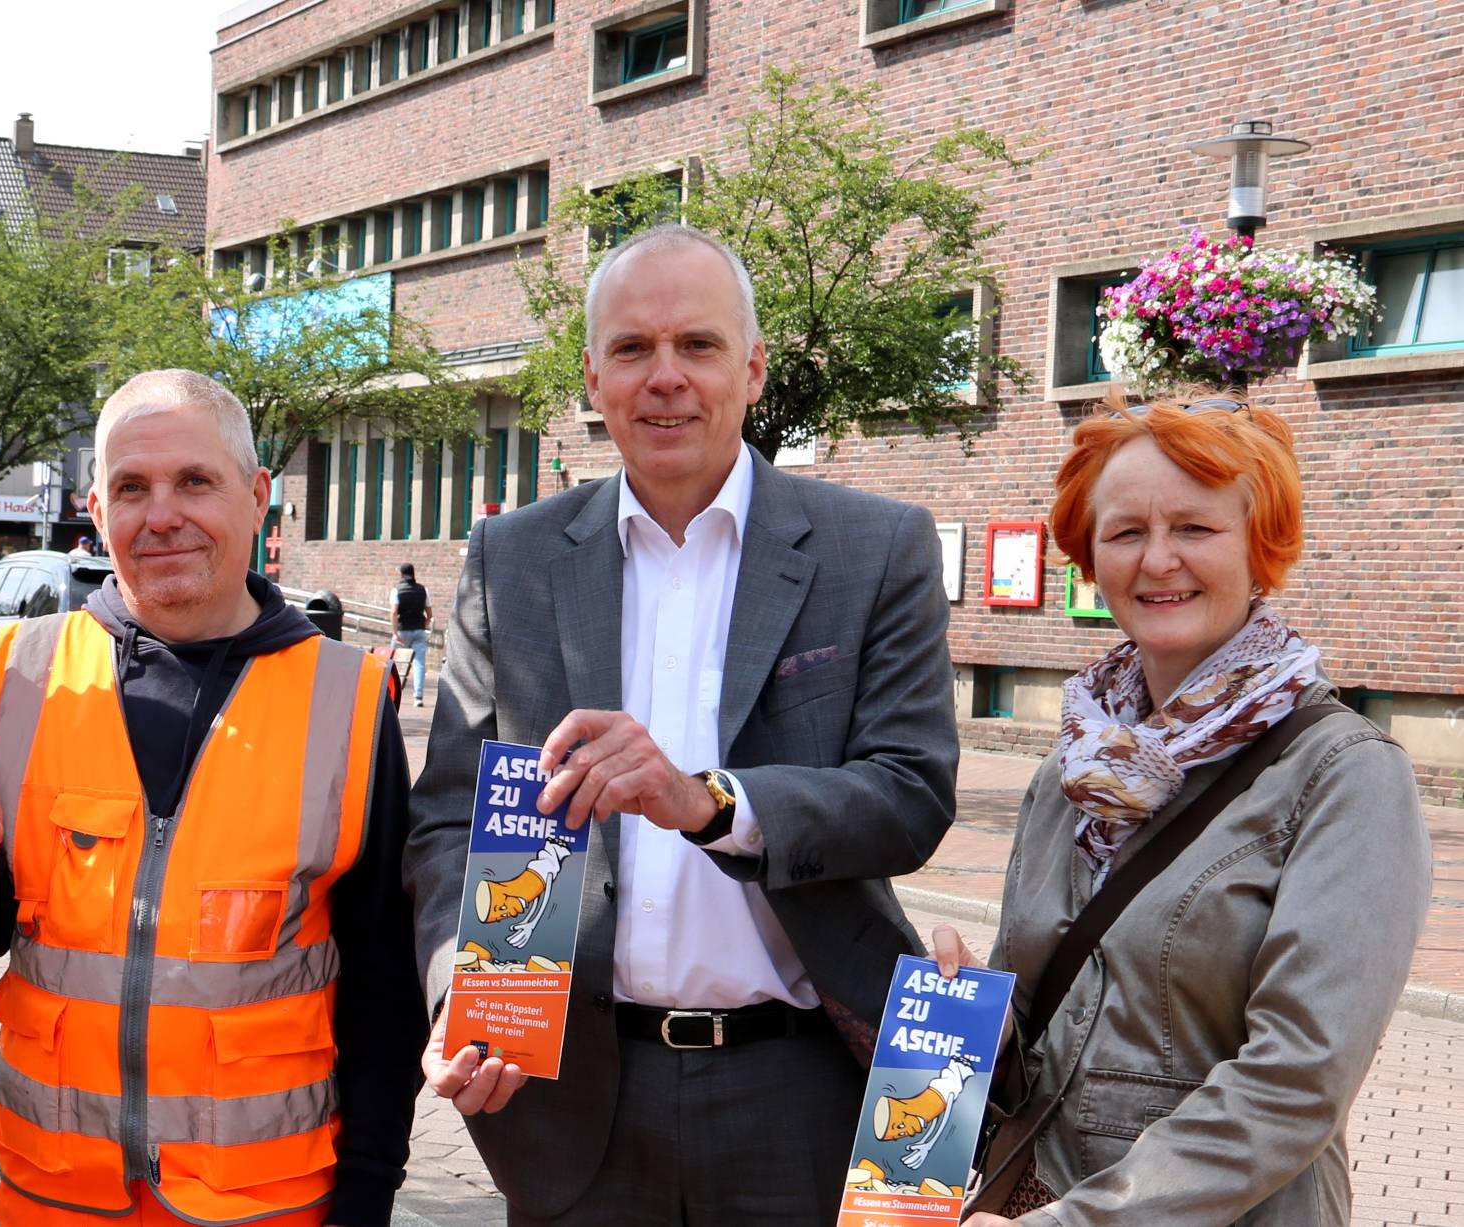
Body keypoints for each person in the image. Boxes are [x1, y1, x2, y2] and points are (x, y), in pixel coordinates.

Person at [407, 224, 958, 1224]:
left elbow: (910, 794)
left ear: (751, 369)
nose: (665, 377)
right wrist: (459, 991)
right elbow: (449, 817)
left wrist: (711, 804)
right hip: (568, 1098)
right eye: (632, 349)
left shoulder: (873, 548)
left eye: (697, 346)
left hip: (801, 1094)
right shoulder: (512, 560)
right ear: (592, 377)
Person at [0, 369, 424, 1225]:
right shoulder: (24, 670)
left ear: (257, 496)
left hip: (267, 1200)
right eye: (131, 488)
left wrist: (367, 1190)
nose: (161, 515)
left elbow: (383, 977)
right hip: (53, 1188)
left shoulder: (347, 696)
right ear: (94, 505)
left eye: (194, 481)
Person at [929, 394, 1428, 1227]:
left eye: (1194, 528)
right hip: (1021, 1195)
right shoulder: (1070, 765)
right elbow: (1048, 1027)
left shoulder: (1343, 774)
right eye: (1125, 532)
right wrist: (957, 1010)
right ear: (1090, 558)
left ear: (1259, 546)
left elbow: (1295, 1079)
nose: (1157, 559)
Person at [389, 563, 430, 705]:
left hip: (402, 630)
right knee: (419, 664)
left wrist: (395, 632)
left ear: (401, 574)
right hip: (419, 630)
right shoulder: (423, 590)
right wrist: (423, 625)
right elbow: (429, 614)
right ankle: (418, 697)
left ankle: (390, 693)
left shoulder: (396, 590)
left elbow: (394, 612)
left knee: (392, 663)